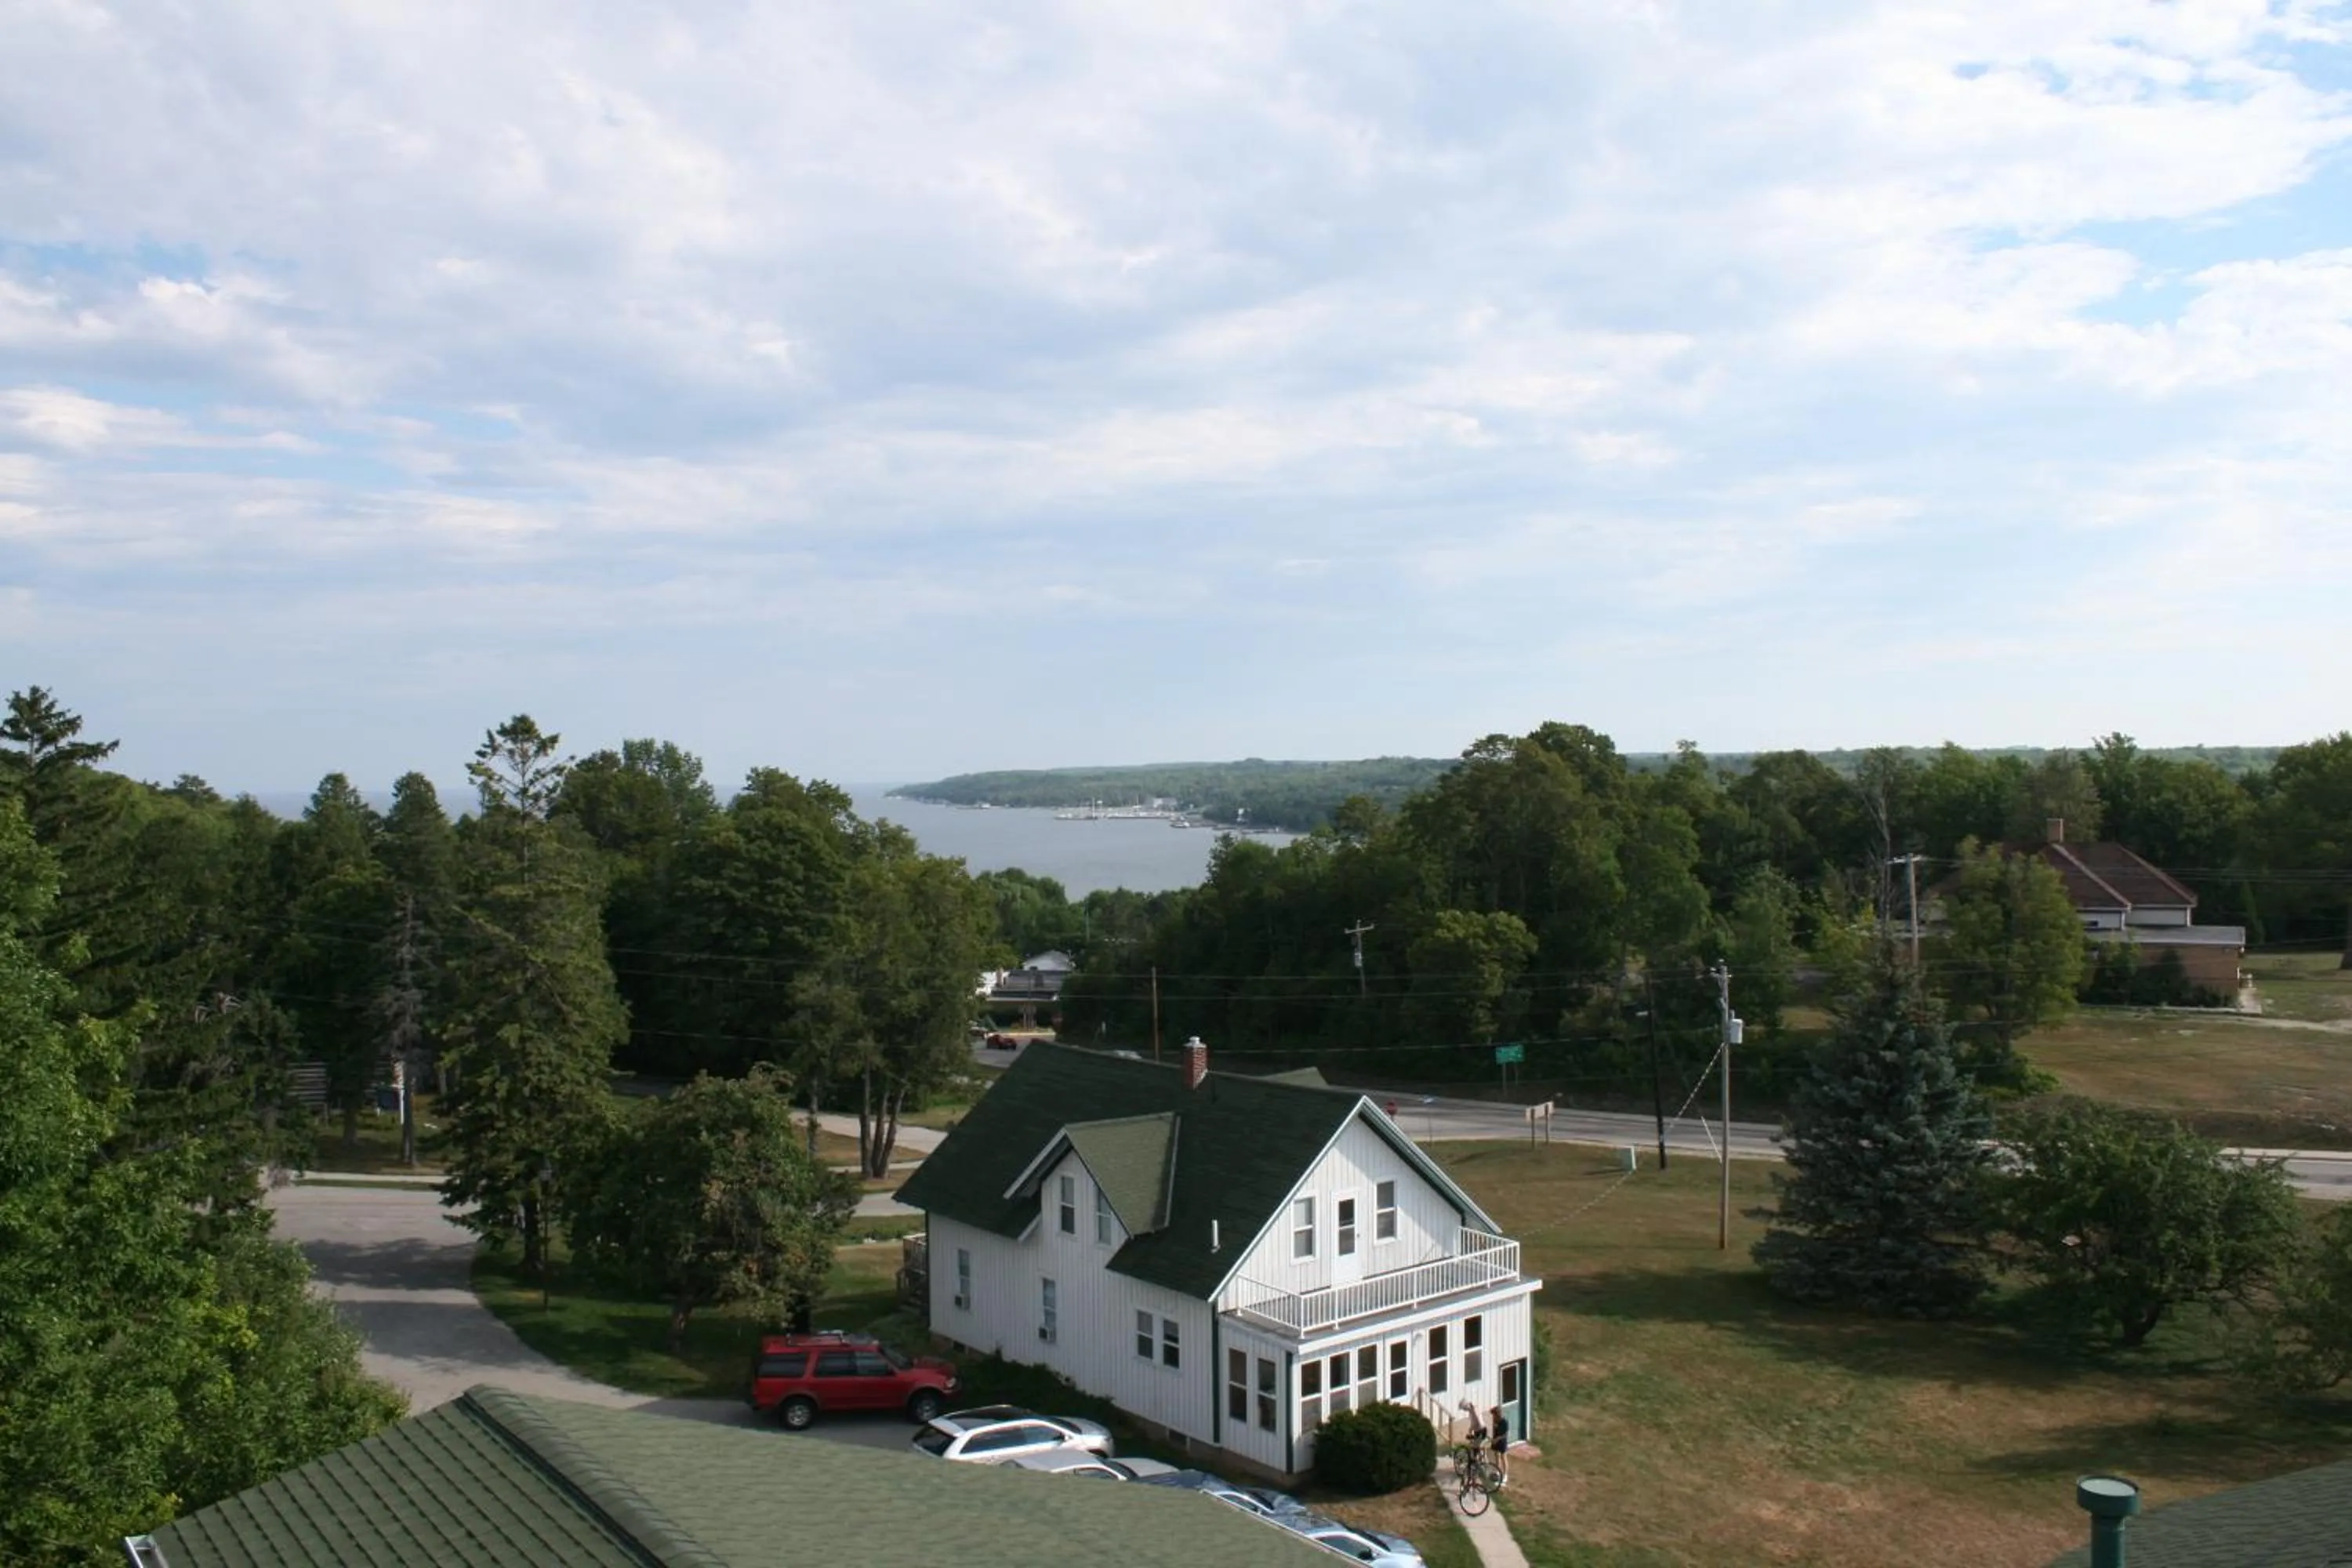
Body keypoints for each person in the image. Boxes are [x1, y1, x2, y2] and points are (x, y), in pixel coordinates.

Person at [1488, 1403, 1512, 1488]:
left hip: (1502, 1442)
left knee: (1503, 1457)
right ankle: (1498, 1471)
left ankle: (1505, 1475)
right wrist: (1492, 1439)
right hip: (1496, 1441)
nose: (1493, 1417)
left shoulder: (1504, 1422)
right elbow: (1494, 1430)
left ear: (1497, 1414)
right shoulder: (1495, 1421)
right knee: (1496, 1456)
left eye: (1494, 1415)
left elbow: (1506, 1434)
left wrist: (1497, 1439)